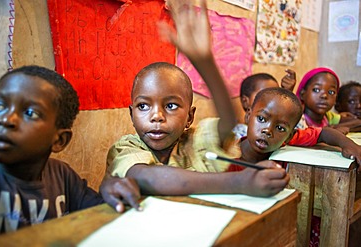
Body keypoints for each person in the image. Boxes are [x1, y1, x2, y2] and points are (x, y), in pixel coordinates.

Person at [102, 0, 289, 198]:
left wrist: (206, 64)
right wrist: (239, 182)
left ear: (190, 117)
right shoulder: (126, 148)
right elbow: (148, 178)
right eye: (143, 106)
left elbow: (228, 123)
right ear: (131, 114)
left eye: (171, 106)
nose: (156, 116)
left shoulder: (193, 142)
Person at [0, 65, 141, 236]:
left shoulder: (62, 176)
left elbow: (104, 217)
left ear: (59, 140)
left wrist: (109, 188)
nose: (5, 119)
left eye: (30, 113)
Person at [228, 87, 361, 170]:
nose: (268, 130)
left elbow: (323, 132)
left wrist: (349, 145)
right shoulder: (228, 157)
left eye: (280, 128)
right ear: (248, 116)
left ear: (290, 135)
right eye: (262, 119)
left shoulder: (288, 141)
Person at [296, 67, 361, 131]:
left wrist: (332, 128)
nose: (324, 96)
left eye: (331, 92)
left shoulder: (328, 117)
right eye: (316, 90)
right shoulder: (298, 119)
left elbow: (358, 123)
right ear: (302, 94)